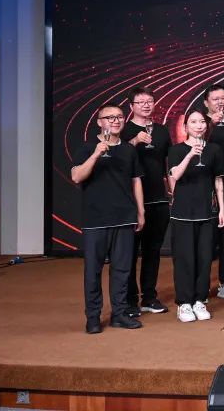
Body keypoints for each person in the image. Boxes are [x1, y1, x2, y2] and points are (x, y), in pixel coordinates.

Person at [71, 105, 146, 333]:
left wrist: (140, 212)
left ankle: (119, 314)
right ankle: (93, 317)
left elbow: (136, 181)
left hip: (124, 217)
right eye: (110, 117)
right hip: (96, 219)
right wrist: (96, 154)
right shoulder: (87, 147)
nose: (115, 121)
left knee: (122, 270)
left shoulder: (128, 150)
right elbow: (77, 176)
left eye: (119, 117)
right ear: (99, 122)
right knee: (93, 271)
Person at [167, 110, 224, 323]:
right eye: (193, 122)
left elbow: (218, 181)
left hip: (206, 212)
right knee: (184, 259)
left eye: (202, 121)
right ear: (185, 127)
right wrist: (190, 154)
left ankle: (200, 300)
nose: (199, 125)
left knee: (204, 258)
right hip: (182, 213)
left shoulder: (214, 150)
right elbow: (175, 175)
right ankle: (184, 303)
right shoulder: (176, 150)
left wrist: (221, 209)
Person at [120, 87, 171, 316]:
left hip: (158, 199)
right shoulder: (124, 130)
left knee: (153, 251)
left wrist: (171, 191)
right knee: (129, 252)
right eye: (140, 102)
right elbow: (118, 157)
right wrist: (134, 141)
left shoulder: (161, 131)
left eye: (149, 101)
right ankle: (130, 300)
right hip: (132, 200)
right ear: (131, 106)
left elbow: (168, 163)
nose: (146, 105)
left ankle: (149, 297)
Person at [203, 84, 224, 300]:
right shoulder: (200, 124)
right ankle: (201, 287)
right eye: (215, 99)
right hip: (207, 189)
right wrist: (209, 125)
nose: (219, 102)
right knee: (206, 240)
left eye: (223, 98)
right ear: (206, 102)